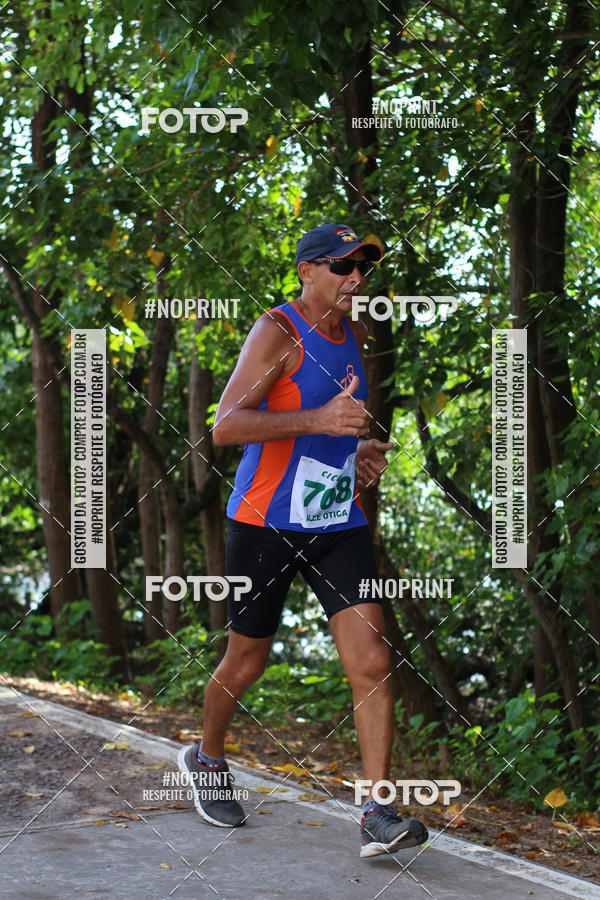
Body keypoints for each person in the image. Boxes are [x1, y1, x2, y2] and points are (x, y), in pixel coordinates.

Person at [178, 223, 428, 857]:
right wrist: (317, 419)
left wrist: (359, 449)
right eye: (342, 266)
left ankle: (377, 810)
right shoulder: (278, 332)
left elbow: (334, 429)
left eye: (362, 268)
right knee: (247, 661)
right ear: (306, 272)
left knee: (372, 662)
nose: (355, 279)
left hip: (336, 522)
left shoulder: (358, 337)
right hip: (264, 525)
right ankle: (206, 758)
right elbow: (226, 427)